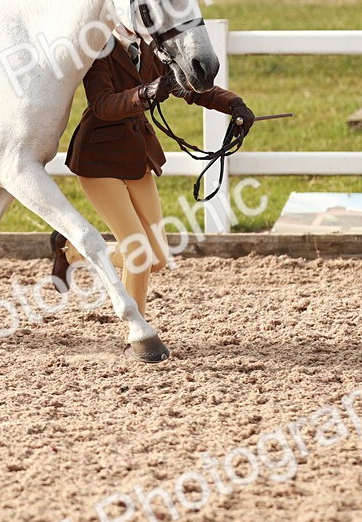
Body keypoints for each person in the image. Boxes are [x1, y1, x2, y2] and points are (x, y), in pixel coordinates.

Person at [50, 29, 254, 355]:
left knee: (157, 258)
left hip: (136, 158)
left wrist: (233, 104)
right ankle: (137, 335)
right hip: (99, 160)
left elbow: (189, 87)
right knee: (139, 254)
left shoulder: (153, 48)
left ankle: (71, 251)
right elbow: (102, 105)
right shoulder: (98, 48)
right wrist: (145, 94)